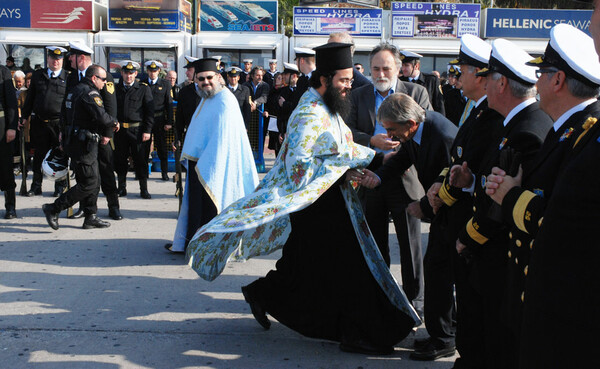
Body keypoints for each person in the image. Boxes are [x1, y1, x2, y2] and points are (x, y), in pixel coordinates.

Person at [185, 43, 421, 355]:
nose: (349, 87)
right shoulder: (309, 111)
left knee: (307, 271)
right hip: (314, 205)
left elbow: (338, 145)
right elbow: (313, 156)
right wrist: (373, 156)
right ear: (324, 79)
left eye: (351, 80)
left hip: (331, 199)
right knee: (342, 269)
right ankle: (356, 332)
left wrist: (355, 160)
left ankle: (264, 295)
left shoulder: (327, 105)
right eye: (344, 81)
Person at [484, 23, 600, 369]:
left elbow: (562, 221)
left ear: (558, 81)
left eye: (541, 74)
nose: (535, 83)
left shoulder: (584, 134)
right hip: (540, 296)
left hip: (563, 307)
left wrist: (509, 196)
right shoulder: (566, 128)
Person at [449, 38, 552, 368]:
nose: (483, 83)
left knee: (496, 342)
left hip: (499, 256)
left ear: (502, 83)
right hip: (490, 256)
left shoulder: (527, 130)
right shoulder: (511, 123)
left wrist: (468, 236)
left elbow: (503, 204)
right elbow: (490, 182)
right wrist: (468, 182)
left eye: (488, 76)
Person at [358, 93, 458, 361]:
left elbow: (452, 180)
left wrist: (423, 206)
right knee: (438, 270)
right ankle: (442, 332)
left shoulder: (442, 135)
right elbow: (402, 160)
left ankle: (444, 339)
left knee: (439, 271)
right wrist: (378, 178)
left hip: (453, 212)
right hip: (440, 210)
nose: (389, 134)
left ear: (411, 123)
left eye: (392, 129)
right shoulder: (417, 132)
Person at [425, 34, 504, 367]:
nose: (456, 77)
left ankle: (458, 348)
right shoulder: (476, 109)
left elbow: (471, 169)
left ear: (482, 76)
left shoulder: (491, 116)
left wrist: (439, 199)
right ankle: (453, 343)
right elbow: (457, 161)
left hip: (468, 220)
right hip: (453, 213)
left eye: (463, 70)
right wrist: (436, 188)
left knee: (471, 299)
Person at [345, 42, 433, 319]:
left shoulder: (416, 92)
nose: (381, 73)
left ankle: (415, 303)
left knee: (410, 245)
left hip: (406, 177)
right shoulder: (357, 96)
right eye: (375, 68)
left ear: (398, 68)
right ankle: (380, 300)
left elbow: (426, 130)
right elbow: (346, 132)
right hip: (370, 176)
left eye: (386, 68)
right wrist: (371, 141)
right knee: (374, 243)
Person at [165, 58, 258, 254]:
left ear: (218, 77)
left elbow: (224, 139)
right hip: (199, 165)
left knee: (209, 210)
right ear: (195, 80)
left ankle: (208, 249)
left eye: (209, 78)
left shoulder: (225, 100)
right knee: (195, 210)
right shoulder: (207, 98)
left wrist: (208, 162)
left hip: (215, 166)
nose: (205, 82)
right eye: (201, 79)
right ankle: (192, 243)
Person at [42, 65, 118, 230]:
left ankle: (91, 216)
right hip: (84, 145)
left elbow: (63, 115)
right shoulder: (90, 93)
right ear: (94, 78)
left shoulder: (74, 90)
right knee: (89, 182)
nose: (105, 83)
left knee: (94, 179)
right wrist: (114, 123)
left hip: (76, 141)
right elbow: (102, 117)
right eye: (103, 79)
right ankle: (54, 208)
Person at [66, 41, 122, 221]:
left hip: (101, 135)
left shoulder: (103, 76)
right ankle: (88, 209)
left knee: (105, 171)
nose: (69, 59)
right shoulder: (73, 77)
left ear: (80, 57)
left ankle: (113, 206)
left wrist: (108, 133)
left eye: (71, 56)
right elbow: (67, 107)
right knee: (86, 174)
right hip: (83, 137)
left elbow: (110, 107)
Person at [21, 46, 68, 197]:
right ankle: (36, 185)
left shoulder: (68, 77)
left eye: (59, 59)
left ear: (62, 61)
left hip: (58, 124)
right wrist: (24, 117)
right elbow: (30, 99)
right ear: (48, 59)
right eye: (53, 58)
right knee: (38, 155)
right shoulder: (38, 75)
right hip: (40, 122)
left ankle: (60, 186)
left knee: (59, 155)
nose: (56, 62)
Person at [114, 61, 154, 199]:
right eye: (126, 73)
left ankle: (144, 189)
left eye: (131, 73)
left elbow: (149, 112)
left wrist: (147, 130)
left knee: (140, 160)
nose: (128, 76)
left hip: (137, 131)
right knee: (120, 160)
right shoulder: (115, 88)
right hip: (120, 131)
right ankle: (121, 188)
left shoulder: (143, 88)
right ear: (122, 73)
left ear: (136, 74)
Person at [144, 60, 174, 181]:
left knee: (162, 147)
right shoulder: (143, 83)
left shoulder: (165, 84)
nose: (152, 73)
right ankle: (143, 172)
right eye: (150, 71)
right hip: (146, 119)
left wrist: (169, 121)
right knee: (144, 147)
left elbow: (169, 104)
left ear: (159, 71)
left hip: (160, 119)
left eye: (155, 71)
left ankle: (164, 172)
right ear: (147, 71)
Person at [400, 50, 445, 115]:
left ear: (416, 66)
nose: (403, 68)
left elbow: (439, 105)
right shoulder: (400, 81)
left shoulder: (431, 80)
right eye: (402, 65)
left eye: (406, 65)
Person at [0, 61, 18, 219]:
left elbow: (11, 101)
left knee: (5, 167)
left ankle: (10, 206)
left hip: (1, 125)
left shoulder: (3, 72)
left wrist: (12, 126)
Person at [276, 63, 300, 143]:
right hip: (286, 131)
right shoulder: (283, 91)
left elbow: (298, 108)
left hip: (298, 130)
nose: (284, 77)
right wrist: (281, 132)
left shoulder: (302, 91)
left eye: (286, 74)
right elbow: (280, 114)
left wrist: (285, 104)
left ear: (294, 76)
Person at [265, 72, 283, 156]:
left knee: (281, 143)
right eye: (276, 78)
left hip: (281, 120)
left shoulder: (284, 91)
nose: (277, 80)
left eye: (279, 78)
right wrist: (266, 110)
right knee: (275, 145)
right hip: (273, 119)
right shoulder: (272, 91)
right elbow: (268, 103)